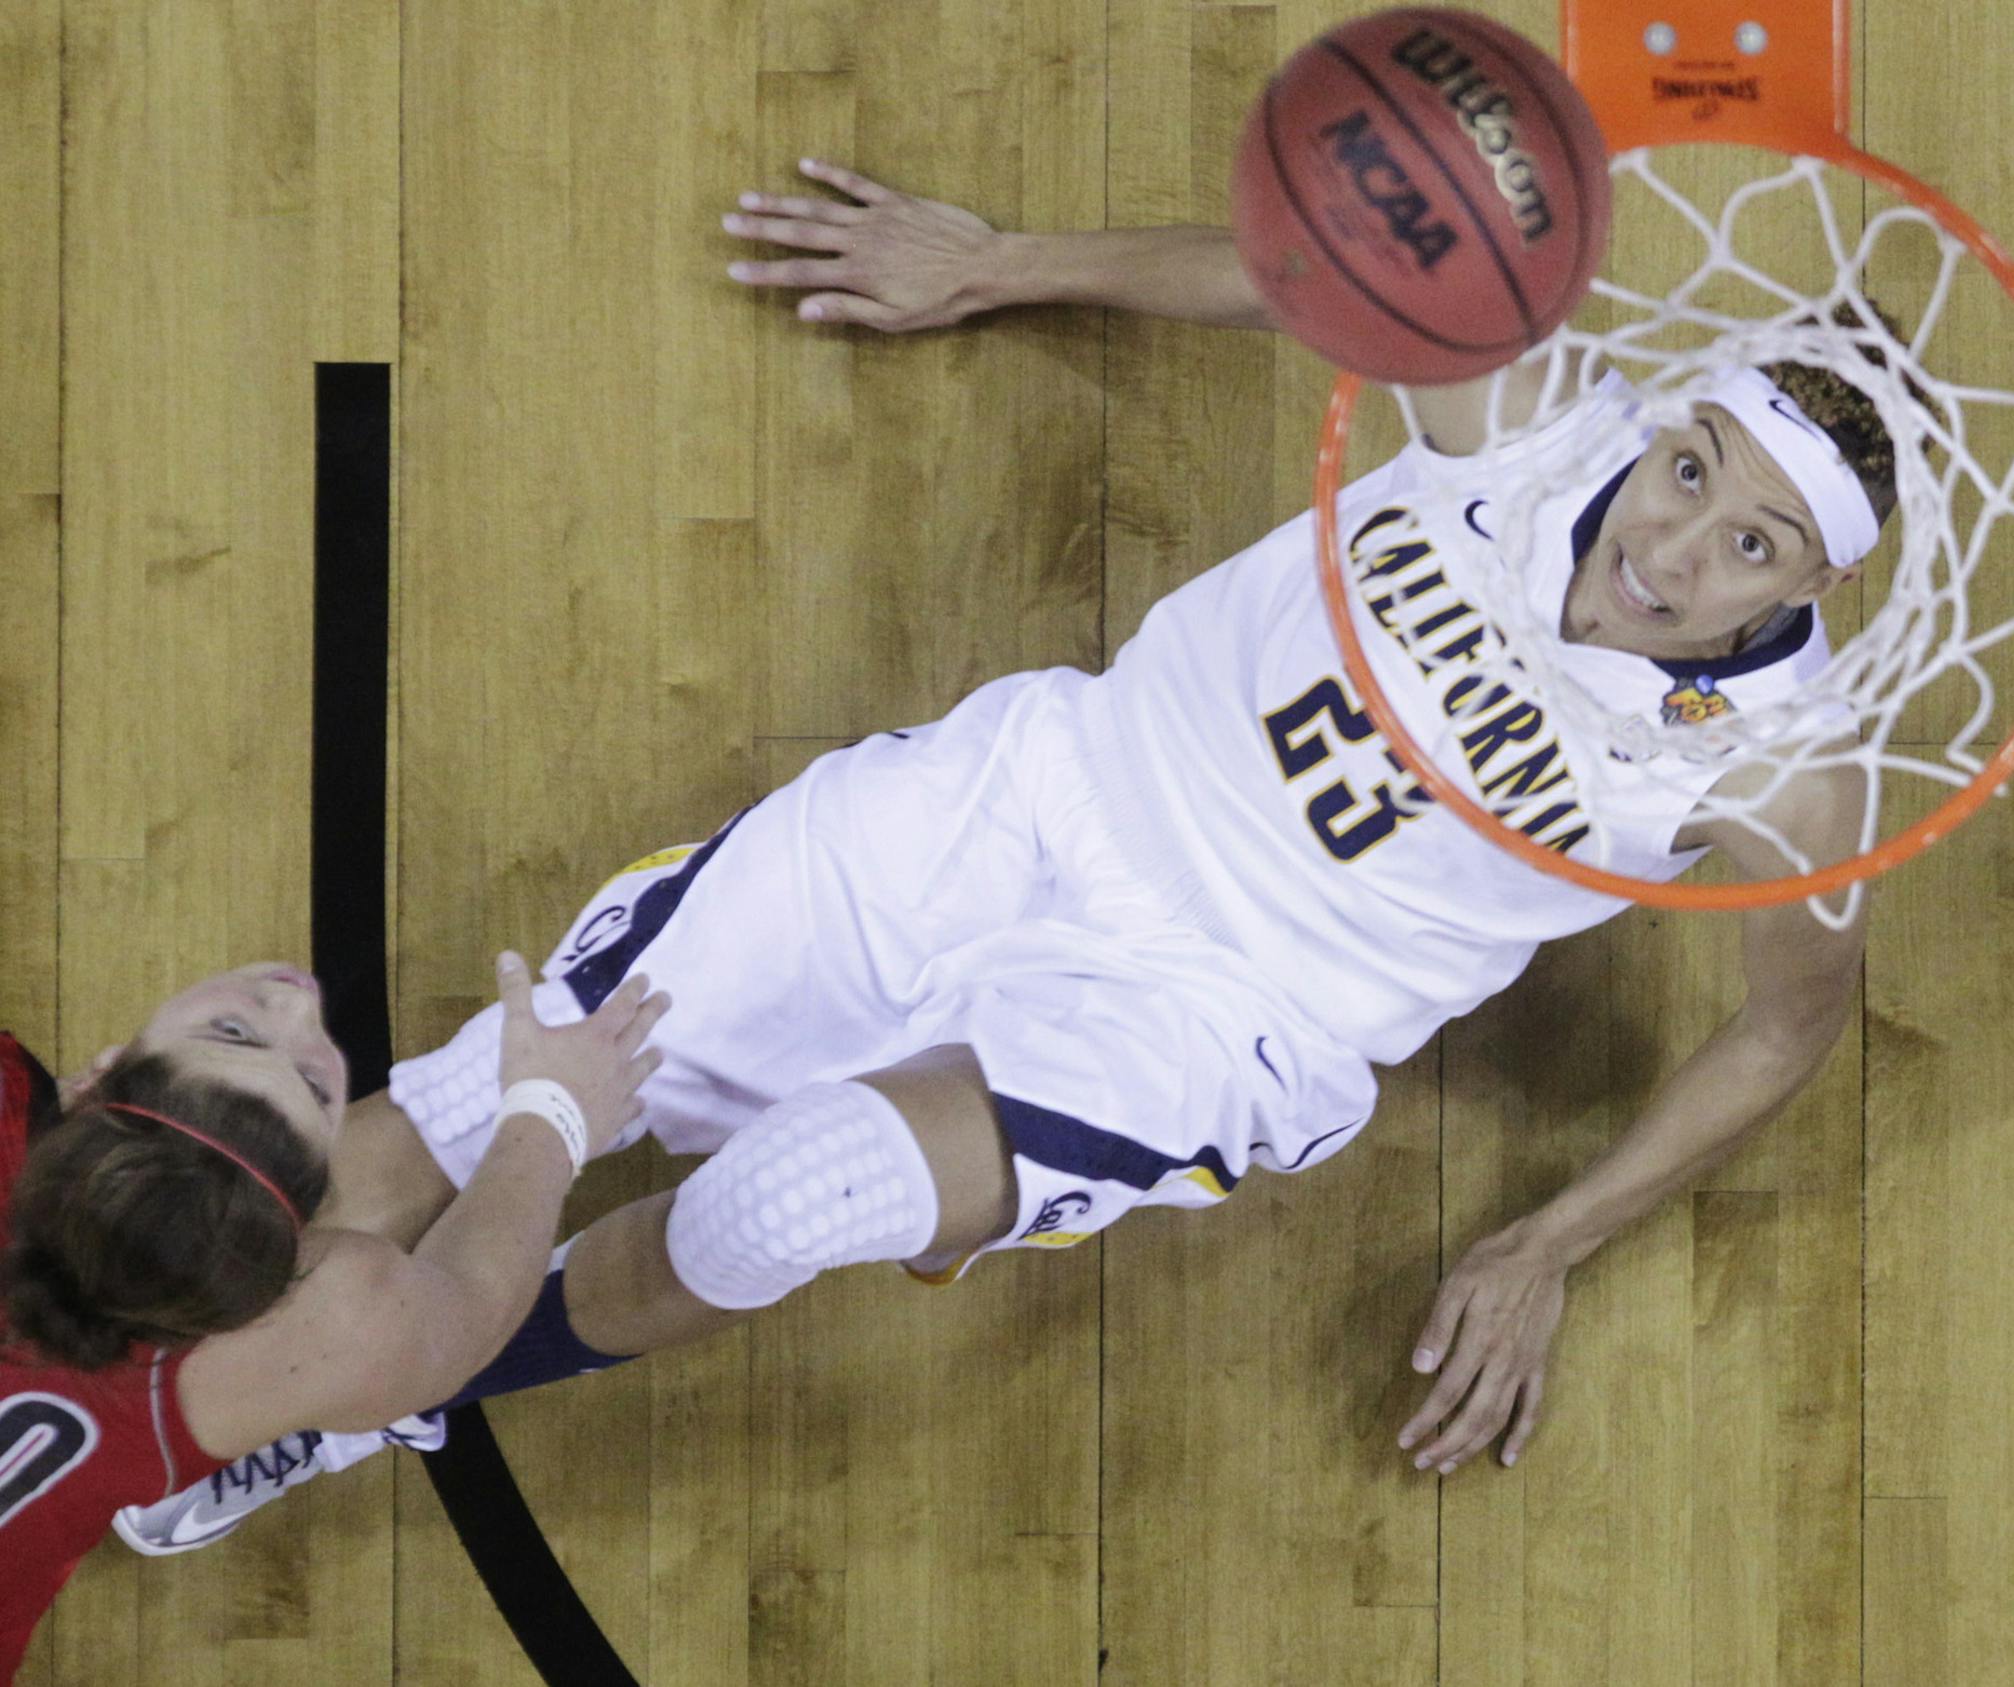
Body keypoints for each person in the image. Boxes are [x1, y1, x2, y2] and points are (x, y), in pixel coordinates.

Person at [125, 156, 1885, 1550]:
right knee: (462, 1104)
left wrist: (1554, 1238)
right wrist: (995, 263)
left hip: (1216, 1012)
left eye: (1753, 544)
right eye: (1690, 474)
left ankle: (345, 1405)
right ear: (1662, 425)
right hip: (1037, 786)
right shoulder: (1516, 404)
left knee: (786, 1203)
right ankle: (103, 1389)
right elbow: (1294, 281)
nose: (1675, 550)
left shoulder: (1788, 779)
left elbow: (1788, 1024)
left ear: (1808, 591)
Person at [0, 956, 669, 1679]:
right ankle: (307, 1412)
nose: (297, 999)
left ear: (95, 1082)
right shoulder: (342, 1309)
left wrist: (554, 1112)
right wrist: (552, 1116)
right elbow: (466, 1309)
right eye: (235, 1031)